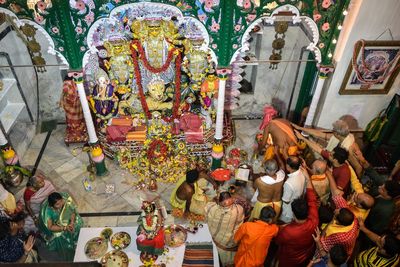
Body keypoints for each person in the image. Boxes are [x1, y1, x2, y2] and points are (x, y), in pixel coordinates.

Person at [275, 165, 319, 267]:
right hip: (306, 254)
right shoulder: (314, 219)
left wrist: (280, 228)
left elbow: (278, 241)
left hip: (289, 259)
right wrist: (307, 179)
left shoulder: (289, 231)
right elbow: (312, 198)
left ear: (294, 214)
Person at [293, 119, 367, 178]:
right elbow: (320, 134)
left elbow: (359, 168)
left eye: (333, 130)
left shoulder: (349, 148)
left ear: (337, 134)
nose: (332, 131)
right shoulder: (342, 137)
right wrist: (300, 128)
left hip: (345, 173)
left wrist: (356, 186)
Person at [316, 171, 359, 258]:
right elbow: (336, 194)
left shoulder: (339, 236)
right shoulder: (349, 215)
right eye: (338, 209)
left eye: (336, 213)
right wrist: (328, 173)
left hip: (337, 254)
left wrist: (318, 237)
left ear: (337, 222)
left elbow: (323, 246)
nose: (336, 210)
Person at [296, 132, 351, 196]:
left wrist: (329, 174)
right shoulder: (334, 159)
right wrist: (302, 138)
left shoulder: (344, 173)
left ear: (335, 160)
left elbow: (337, 194)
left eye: (330, 154)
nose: (328, 153)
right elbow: (317, 149)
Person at [39, 192, 83, 261]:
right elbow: (50, 227)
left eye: (61, 201)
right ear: (51, 206)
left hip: (67, 220)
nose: (61, 204)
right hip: (57, 226)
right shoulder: (48, 212)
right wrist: (64, 228)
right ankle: (69, 247)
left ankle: (77, 240)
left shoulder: (65, 200)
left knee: (77, 223)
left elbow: (72, 211)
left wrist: (71, 223)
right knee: (59, 235)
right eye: (57, 204)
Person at [205, 191, 244, 267]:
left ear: (219, 202)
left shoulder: (211, 208)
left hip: (214, 237)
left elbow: (207, 211)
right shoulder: (239, 210)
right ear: (232, 199)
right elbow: (240, 222)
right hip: (228, 243)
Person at [280, 156, 306, 223]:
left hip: (288, 212)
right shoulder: (302, 171)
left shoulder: (289, 183)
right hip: (297, 205)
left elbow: (286, 200)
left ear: (288, 166)